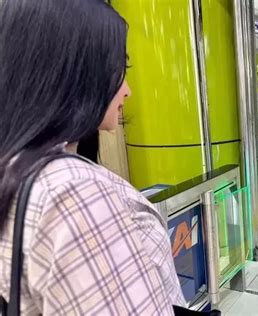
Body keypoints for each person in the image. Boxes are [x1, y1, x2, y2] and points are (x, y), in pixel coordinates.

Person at [0, 0, 185, 314]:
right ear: (72, 71)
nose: (126, 90)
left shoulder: (14, 169)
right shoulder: (74, 193)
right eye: (120, 69)